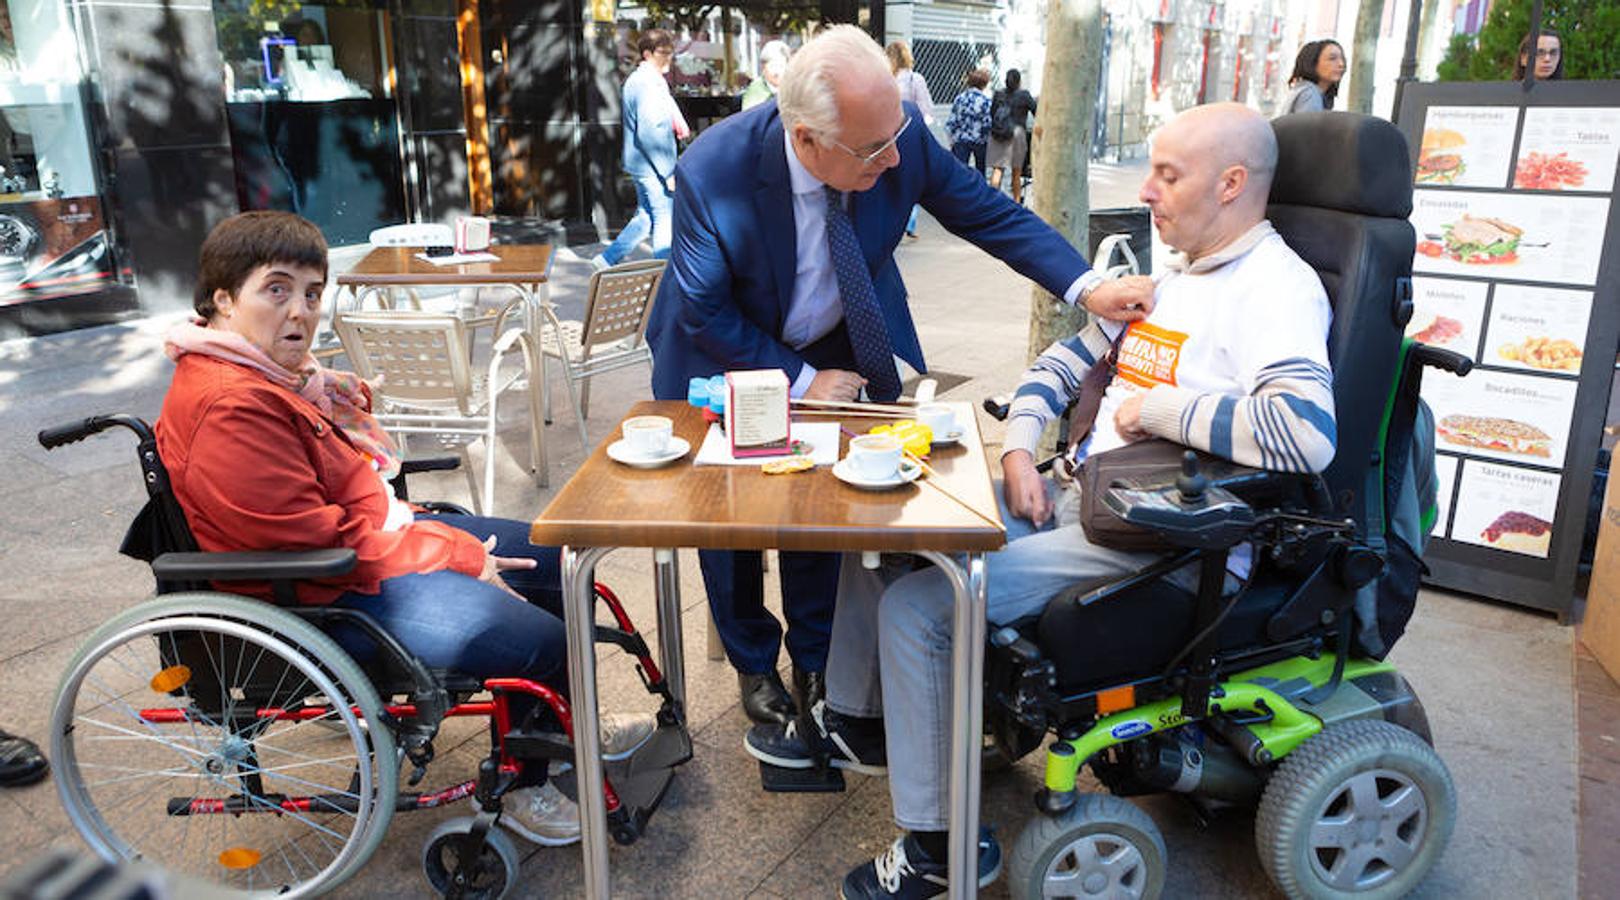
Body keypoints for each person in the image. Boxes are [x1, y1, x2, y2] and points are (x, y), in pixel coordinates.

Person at [745, 102, 1337, 898]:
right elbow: (1057, 367)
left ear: (1232, 184)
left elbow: (1305, 434)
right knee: (872, 516)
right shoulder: (1173, 282)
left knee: (920, 609)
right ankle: (863, 723)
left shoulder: (1274, 288)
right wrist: (1023, 448)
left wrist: (1151, 412)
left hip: (1170, 541)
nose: (1149, 192)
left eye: (1168, 174)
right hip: (1082, 498)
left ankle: (940, 851)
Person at [644, 24, 1152, 739]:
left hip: (831, 333)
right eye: (872, 149)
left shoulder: (898, 136)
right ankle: (752, 662)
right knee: (729, 516)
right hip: (723, 350)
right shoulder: (716, 167)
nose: (893, 158)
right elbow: (702, 308)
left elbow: (988, 212)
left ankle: (816, 659)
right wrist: (798, 378)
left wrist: (1089, 286)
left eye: (895, 137)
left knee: (818, 504)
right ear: (806, 138)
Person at [156, 211, 655, 849]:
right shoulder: (230, 404)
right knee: (537, 638)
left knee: (556, 556)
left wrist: (436, 540)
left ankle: (561, 729)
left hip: (356, 547)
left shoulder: (272, 378)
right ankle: (526, 777)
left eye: (312, 293)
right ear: (223, 300)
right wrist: (455, 549)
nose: (301, 312)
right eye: (276, 290)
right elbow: (310, 542)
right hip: (318, 595)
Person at [592, 29, 690, 271]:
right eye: (663, 53)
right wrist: (668, 172)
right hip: (653, 165)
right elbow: (651, 132)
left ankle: (606, 260)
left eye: (670, 52)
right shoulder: (647, 83)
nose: (668, 57)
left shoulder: (643, 79)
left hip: (642, 164)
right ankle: (664, 274)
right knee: (663, 217)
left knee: (646, 217)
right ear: (647, 54)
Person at [886, 40, 935, 238]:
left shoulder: (884, 79)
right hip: (908, 137)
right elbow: (926, 110)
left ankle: (892, 218)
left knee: (888, 180)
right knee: (910, 180)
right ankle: (908, 221)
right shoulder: (916, 79)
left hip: (885, 137)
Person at [986, 69, 1036, 205]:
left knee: (997, 170)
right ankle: (1016, 203)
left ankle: (991, 203)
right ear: (1019, 81)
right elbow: (1036, 111)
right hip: (1017, 135)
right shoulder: (1024, 95)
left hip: (998, 134)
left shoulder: (998, 95)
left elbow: (992, 114)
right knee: (1016, 172)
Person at [945, 68, 992, 176]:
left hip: (960, 139)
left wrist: (951, 139)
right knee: (980, 171)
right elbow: (987, 123)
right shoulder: (985, 101)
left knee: (959, 172)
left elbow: (952, 121)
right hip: (980, 140)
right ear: (984, 85)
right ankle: (979, 191)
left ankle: (960, 192)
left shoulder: (959, 99)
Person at [1280, 39, 1346, 114]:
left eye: (1343, 59)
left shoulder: (1304, 90)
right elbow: (1308, 125)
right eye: (1332, 58)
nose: (1341, 64)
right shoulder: (1310, 94)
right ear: (1312, 63)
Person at [742, 39, 791, 109]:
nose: (777, 72)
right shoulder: (755, 91)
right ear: (763, 68)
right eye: (773, 66)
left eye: (781, 66)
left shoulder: (792, 87)